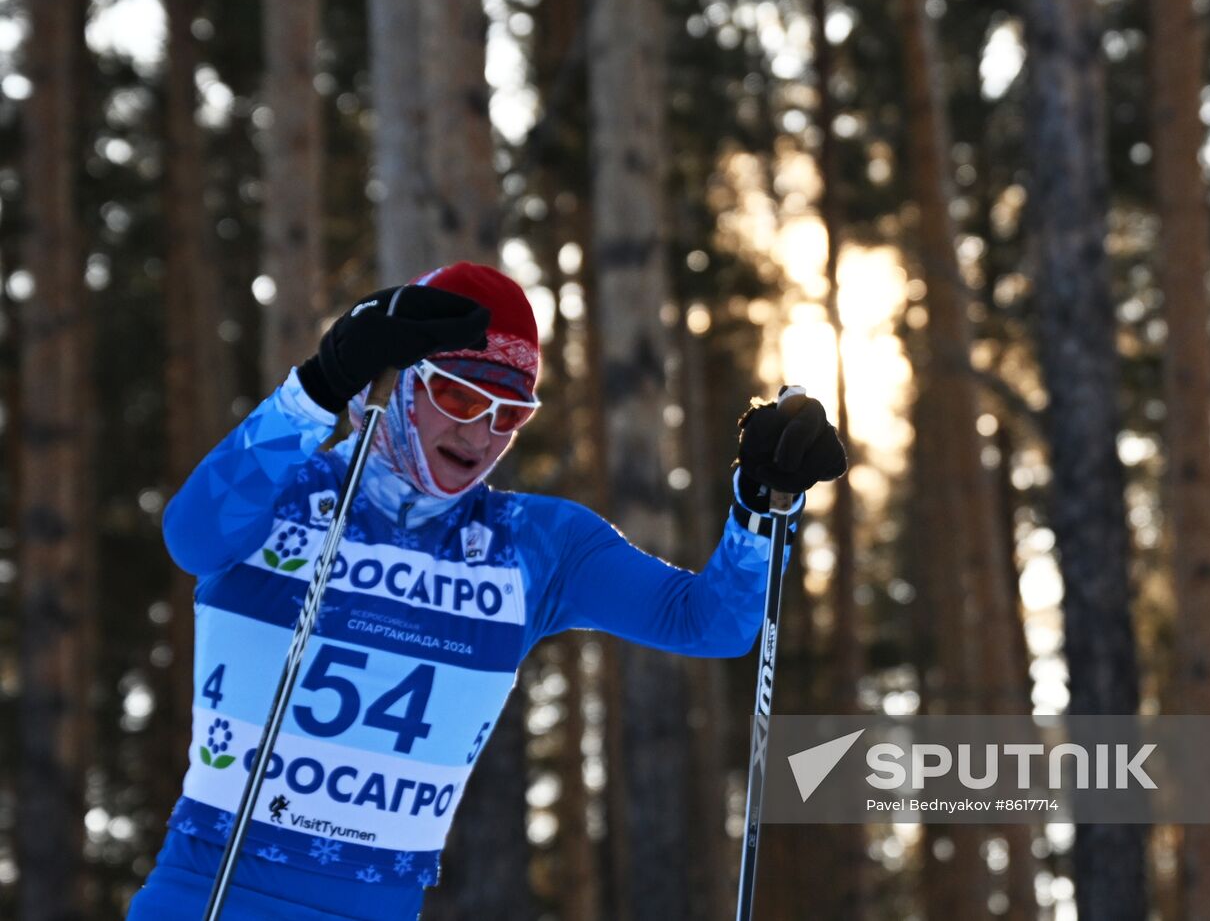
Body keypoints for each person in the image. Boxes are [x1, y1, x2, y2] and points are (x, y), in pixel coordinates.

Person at [127, 261, 846, 920]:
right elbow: (193, 538)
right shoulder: (284, 488)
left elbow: (708, 622)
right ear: (401, 383)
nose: (481, 432)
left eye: (509, 413)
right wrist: (318, 385)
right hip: (209, 893)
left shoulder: (535, 544)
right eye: (455, 394)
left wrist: (760, 505)